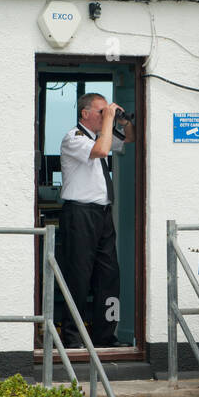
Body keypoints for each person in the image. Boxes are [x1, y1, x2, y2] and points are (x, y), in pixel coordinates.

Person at [58, 93, 134, 348]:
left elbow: (129, 140)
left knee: (109, 276)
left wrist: (124, 123)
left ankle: (105, 336)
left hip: (102, 214)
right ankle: (71, 337)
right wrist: (110, 119)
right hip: (79, 214)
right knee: (79, 276)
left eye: (106, 111)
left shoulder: (100, 136)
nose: (105, 115)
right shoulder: (74, 138)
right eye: (100, 111)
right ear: (85, 114)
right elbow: (101, 150)